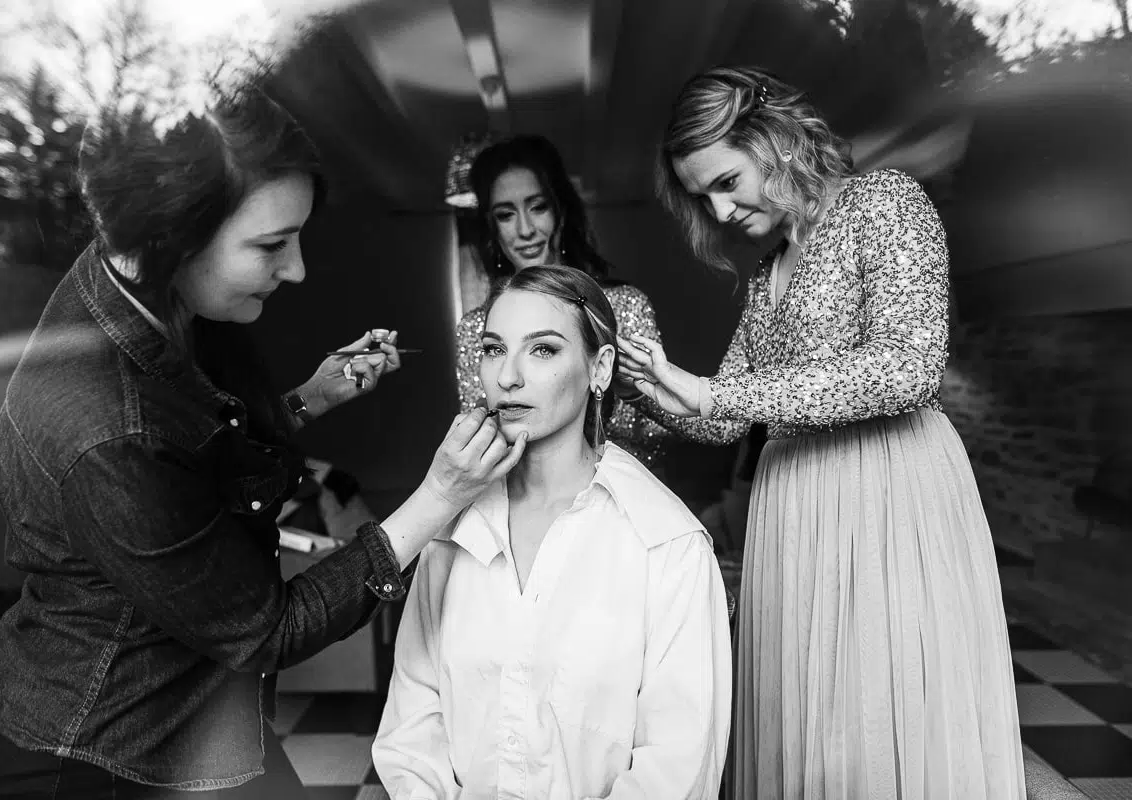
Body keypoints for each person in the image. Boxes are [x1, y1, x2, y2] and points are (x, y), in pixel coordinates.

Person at [0, 77, 527, 798]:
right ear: (173, 233)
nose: (296, 269)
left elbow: (189, 454)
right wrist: (440, 496)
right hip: (102, 753)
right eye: (271, 244)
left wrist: (308, 398)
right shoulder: (105, 426)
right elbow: (267, 632)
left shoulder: (143, 281)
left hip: (193, 713)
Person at [617, 67, 1026, 799]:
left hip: (885, 491)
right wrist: (645, 382)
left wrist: (712, 389)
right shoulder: (767, 270)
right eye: (701, 195)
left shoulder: (884, 203)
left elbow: (909, 367)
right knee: (812, 725)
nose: (718, 208)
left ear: (774, 141)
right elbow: (728, 418)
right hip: (794, 511)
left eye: (725, 180)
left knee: (881, 711)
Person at [375, 265, 732, 799]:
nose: (508, 377)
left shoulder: (666, 542)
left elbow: (679, 762)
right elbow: (413, 726)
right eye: (494, 349)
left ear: (601, 368)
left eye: (542, 350)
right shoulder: (451, 533)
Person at [454, 134, 672, 467]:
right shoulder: (476, 327)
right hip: (522, 499)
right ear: (491, 227)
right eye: (505, 214)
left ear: (561, 212)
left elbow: (663, 430)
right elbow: (481, 443)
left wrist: (634, 392)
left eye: (538, 207)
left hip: (621, 495)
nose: (525, 229)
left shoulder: (624, 306)